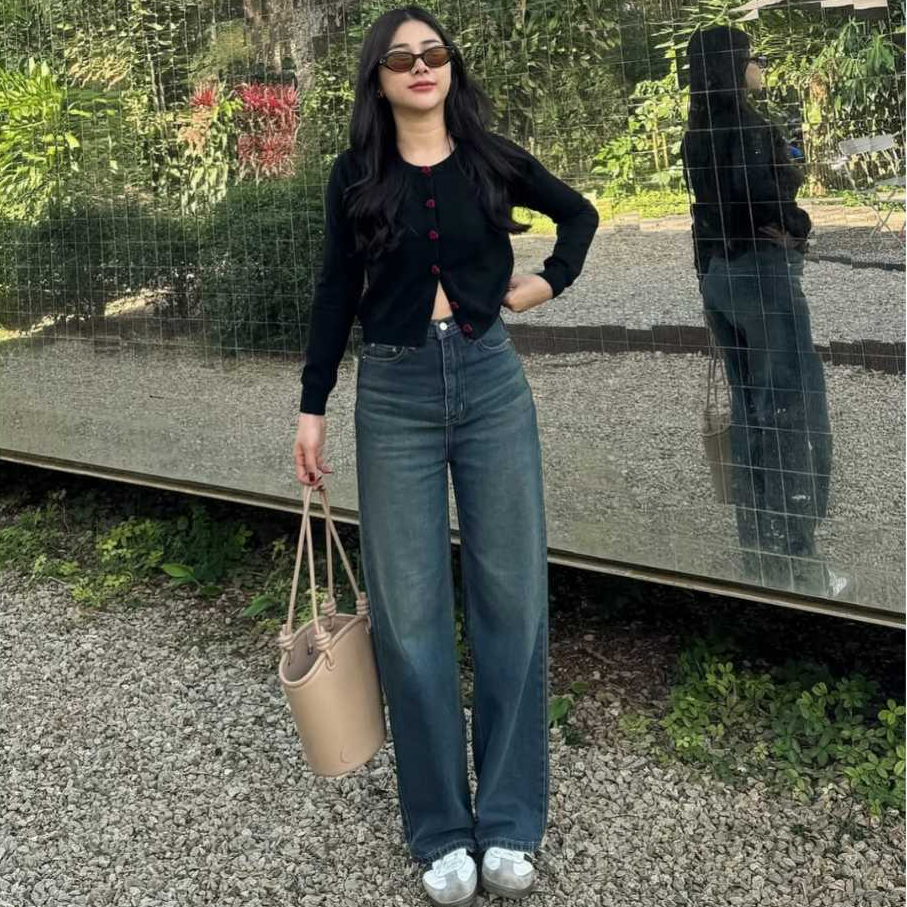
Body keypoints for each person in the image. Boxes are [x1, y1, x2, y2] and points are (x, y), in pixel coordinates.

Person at [292, 6, 599, 905]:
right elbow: (334, 288)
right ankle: (437, 829)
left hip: (491, 386)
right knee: (410, 615)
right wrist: (312, 407)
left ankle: (508, 819)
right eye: (401, 58)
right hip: (393, 399)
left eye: (433, 53)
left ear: (450, 68)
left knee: (511, 598)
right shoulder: (355, 174)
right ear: (378, 79)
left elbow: (577, 215)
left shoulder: (490, 159)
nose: (420, 66)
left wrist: (547, 281)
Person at [680, 25, 848, 600]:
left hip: (718, 275)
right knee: (792, 410)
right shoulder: (749, 128)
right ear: (734, 66)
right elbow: (758, 197)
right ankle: (799, 561)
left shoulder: (698, 131)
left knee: (750, 410)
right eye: (752, 57)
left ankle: (758, 550)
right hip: (760, 272)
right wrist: (795, 226)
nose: (759, 67)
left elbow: (712, 205)